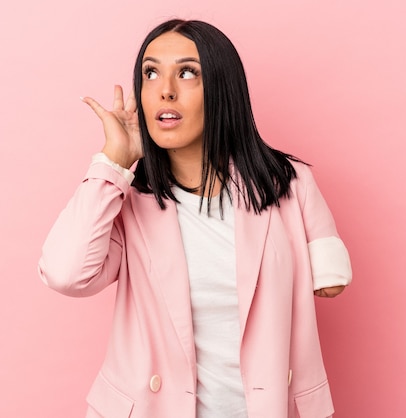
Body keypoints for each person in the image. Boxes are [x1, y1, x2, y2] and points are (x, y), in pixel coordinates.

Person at [38, 19, 352, 418]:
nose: (165, 89)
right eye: (150, 73)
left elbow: (330, 279)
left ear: (222, 89)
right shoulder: (126, 197)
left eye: (187, 72)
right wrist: (114, 161)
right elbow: (65, 274)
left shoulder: (288, 184)